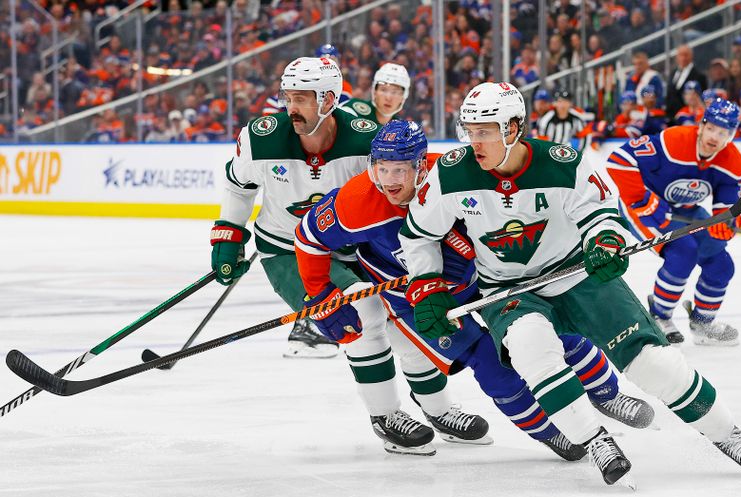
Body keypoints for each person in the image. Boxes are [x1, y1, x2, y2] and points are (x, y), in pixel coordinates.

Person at [398, 82, 741, 485]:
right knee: (531, 350)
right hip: (507, 290)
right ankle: (594, 439)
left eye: (484, 131)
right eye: (469, 130)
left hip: (574, 272)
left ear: (513, 128)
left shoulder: (563, 162)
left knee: (653, 361)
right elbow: (418, 235)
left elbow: (600, 210)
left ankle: (728, 434)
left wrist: (605, 239)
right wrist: (426, 285)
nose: (474, 141)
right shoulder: (451, 173)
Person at [295, 119, 656, 461]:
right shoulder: (356, 201)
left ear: (421, 166)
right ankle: (550, 432)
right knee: (489, 362)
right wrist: (321, 293)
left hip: (481, 277)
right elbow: (309, 237)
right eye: (382, 168)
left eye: (400, 169)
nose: (389, 181)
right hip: (415, 298)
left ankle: (607, 394)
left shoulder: (453, 176)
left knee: (556, 329)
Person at [210, 57, 487, 455]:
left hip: (355, 249)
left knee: (407, 321)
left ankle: (439, 409)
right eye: (288, 97)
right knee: (364, 317)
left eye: (302, 98)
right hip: (289, 251)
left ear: (329, 99)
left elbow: (396, 196)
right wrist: (228, 234)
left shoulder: (365, 141)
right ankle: (385, 415)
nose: (291, 107)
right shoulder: (261, 138)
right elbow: (239, 186)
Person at [607, 97, 741, 348]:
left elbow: (731, 206)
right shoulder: (673, 141)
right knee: (683, 252)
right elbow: (617, 160)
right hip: (643, 208)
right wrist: (642, 199)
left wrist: (725, 222)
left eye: (723, 132)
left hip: (685, 210)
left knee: (721, 263)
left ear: (732, 134)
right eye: (712, 128)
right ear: (702, 125)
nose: (715, 137)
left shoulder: (732, 162)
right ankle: (659, 315)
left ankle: (703, 323)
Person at [339, 63, 411, 125]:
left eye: (395, 92)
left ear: (404, 96)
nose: (388, 97)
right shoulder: (352, 110)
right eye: (383, 90)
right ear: (374, 91)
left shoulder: (401, 130)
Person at [666, 44, 707, 118]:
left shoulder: (699, 76)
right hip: (671, 117)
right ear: (676, 57)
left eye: (686, 55)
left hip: (690, 117)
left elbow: (702, 98)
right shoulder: (673, 73)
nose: (683, 58)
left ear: (691, 56)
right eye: (680, 55)